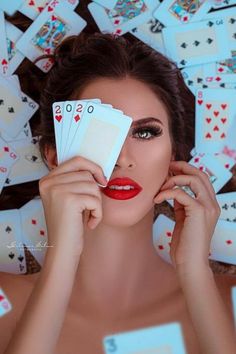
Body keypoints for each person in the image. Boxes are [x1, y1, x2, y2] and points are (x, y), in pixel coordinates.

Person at [1, 32, 236, 354]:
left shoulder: (228, 299)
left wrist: (195, 274)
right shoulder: (4, 301)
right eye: (100, 132)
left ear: (173, 155)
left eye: (145, 132)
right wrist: (61, 258)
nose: (123, 158)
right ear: (56, 156)